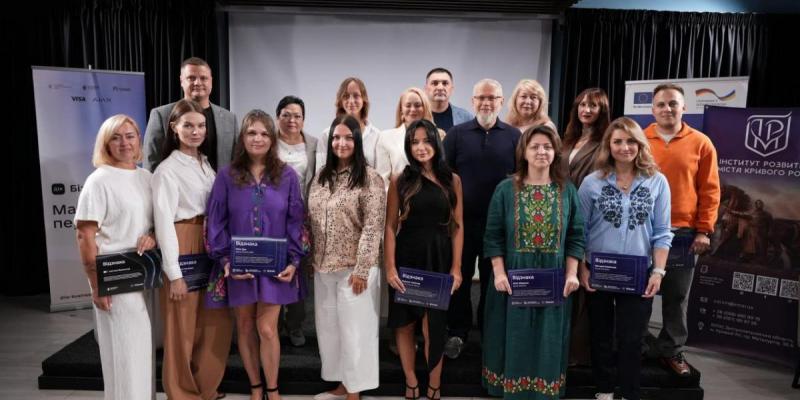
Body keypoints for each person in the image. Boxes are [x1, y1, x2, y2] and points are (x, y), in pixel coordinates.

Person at [206, 110, 306, 400]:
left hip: (276, 267)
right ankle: (255, 387)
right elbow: (216, 222)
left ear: (272, 139)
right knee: (246, 325)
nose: (258, 138)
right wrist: (226, 261)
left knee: (267, 328)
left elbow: (296, 221)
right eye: (251, 132)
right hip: (239, 266)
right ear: (242, 137)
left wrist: (294, 260)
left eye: (264, 133)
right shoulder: (226, 176)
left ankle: (272, 389)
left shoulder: (287, 176)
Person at [482, 125, 585, 400]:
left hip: (554, 280)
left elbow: (576, 236)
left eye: (547, 147)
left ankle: (543, 391)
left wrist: (572, 274)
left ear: (556, 152)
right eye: (535, 146)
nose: (541, 152)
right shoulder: (505, 189)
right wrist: (499, 273)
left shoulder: (566, 190)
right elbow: (493, 236)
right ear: (524, 152)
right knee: (512, 336)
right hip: (512, 279)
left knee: (547, 339)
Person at [578, 117, 673, 400]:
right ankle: (604, 390)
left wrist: (658, 272)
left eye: (631, 141)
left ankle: (630, 393)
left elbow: (662, 232)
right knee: (601, 335)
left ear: (640, 144)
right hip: (599, 271)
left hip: (638, 273)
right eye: (617, 141)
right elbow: (579, 230)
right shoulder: (591, 182)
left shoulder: (657, 182)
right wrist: (582, 267)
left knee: (632, 339)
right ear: (608, 145)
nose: (624, 147)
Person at [152, 99, 233, 400]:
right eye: (188, 125)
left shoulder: (206, 164)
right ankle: (182, 393)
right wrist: (174, 274)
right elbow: (163, 223)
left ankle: (205, 387)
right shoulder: (167, 170)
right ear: (174, 128)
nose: (196, 131)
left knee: (215, 321)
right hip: (183, 239)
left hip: (210, 241)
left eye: (200, 126)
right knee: (181, 326)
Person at [74, 114, 157, 400]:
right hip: (113, 277)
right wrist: (96, 284)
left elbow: (151, 223)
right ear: (105, 144)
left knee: (140, 351)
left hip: (143, 274)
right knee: (125, 353)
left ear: (138, 140)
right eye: (116, 137)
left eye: (130, 136)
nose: (124, 143)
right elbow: (85, 235)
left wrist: (152, 236)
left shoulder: (146, 178)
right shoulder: (99, 180)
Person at [642, 83, 720, 376]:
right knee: (639, 293)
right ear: (652, 109)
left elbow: (710, 191)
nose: (667, 109)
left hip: (683, 234)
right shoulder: (638, 140)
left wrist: (704, 230)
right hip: (642, 231)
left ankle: (671, 350)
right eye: (661, 104)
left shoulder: (701, 143)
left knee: (676, 297)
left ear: (684, 107)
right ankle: (638, 346)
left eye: (673, 103)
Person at [384, 119, 464, 400]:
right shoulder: (400, 180)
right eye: (414, 142)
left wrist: (456, 268)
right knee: (405, 324)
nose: (420, 147)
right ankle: (410, 381)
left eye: (426, 141)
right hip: (407, 259)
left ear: (436, 143)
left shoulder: (452, 180)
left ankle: (434, 384)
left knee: (434, 327)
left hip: (439, 258)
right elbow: (390, 226)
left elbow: (457, 227)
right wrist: (390, 267)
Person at [308, 115, 386, 400]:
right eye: (336, 138)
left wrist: (363, 268)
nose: (341, 143)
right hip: (323, 267)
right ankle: (342, 385)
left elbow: (373, 226)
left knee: (356, 333)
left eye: (348, 138)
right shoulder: (321, 176)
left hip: (355, 269)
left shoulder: (369, 177)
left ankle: (355, 392)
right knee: (330, 332)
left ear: (357, 141)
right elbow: (312, 220)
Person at [442, 79, 521, 359]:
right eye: (481, 98)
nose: (486, 103)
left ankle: (490, 333)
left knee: (492, 281)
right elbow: (445, 177)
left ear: (501, 101)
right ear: (473, 101)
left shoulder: (514, 136)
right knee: (459, 278)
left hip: (499, 226)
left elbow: (520, 178)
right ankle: (457, 332)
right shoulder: (456, 135)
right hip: (461, 224)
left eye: (492, 98)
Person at [560, 87, 611, 366]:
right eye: (582, 105)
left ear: (602, 110)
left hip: (588, 217)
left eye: (593, 106)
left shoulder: (606, 143)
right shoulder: (568, 139)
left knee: (582, 284)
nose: (586, 110)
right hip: (561, 215)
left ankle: (577, 353)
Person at [143, 57, 238, 172]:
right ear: (181, 81)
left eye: (203, 78)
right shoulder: (161, 115)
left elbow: (237, 163)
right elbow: (151, 162)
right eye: (191, 78)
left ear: (211, 81)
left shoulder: (229, 118)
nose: (198, 83)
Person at [275, 95, 318, 347]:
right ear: (277, 117)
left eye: (297, 116)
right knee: (272, 267)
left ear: (303, 119)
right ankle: (274, 322)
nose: (292, 120)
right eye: (286, 115)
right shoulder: (268, 142)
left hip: (301, 217)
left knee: (298, 270)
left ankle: (295, 323)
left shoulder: (313, 144)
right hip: (272, 217)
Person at [375, 87, 437, 187]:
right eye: (408, 105)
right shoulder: (385, 137)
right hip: (399, 195)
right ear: (401, 111)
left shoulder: (439, 135)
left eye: (417, 105)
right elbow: (382, 179)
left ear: (425, 108)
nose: (413, 109)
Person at [316, 77, 381, 169]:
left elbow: (379, 173)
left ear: (364, 100)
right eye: (346, 96)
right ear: (340, 101)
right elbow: (320, 172)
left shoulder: (377, 136)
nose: (351, 101)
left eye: (356, 96)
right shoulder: (326, 135)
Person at [424, 67, 473, 132]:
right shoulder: (417, 116)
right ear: (426, 89)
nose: (440, 87)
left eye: (445, 83)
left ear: (452, 89)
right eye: (435, 83)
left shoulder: (466, 118)